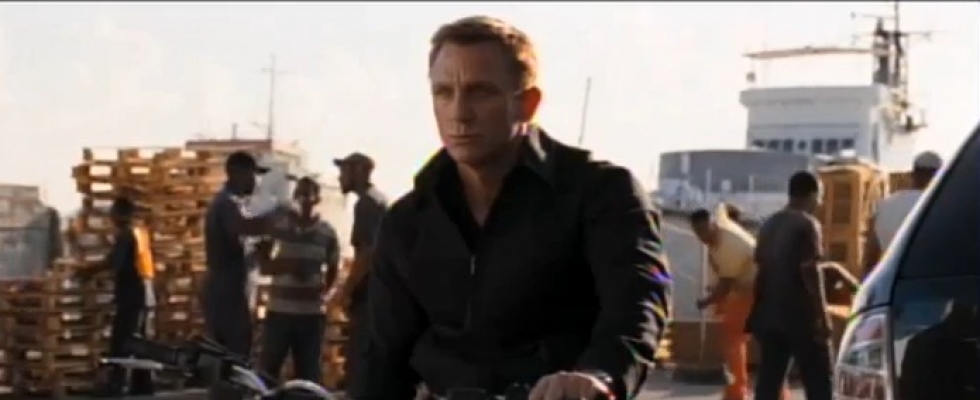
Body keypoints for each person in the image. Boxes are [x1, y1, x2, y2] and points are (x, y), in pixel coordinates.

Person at [348, 15, 670, 400]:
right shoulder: (408, 221)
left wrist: (600, 375)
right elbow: (384, 357)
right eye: (444, 92)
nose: (459, 112)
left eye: (480, 92)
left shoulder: (602, 194)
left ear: (527, 104)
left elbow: (638, 303)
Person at [203, 151, 280, 400]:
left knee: (231, 363)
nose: (257, 182)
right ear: (236, 173)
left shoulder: (236, 205)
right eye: (253, 174)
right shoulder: (227, 204)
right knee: (232, 363)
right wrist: (279, 216)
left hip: (233, 292)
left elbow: (246, 245)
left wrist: (261, 247)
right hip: (228, 294)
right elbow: (245, 226)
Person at [749, 170, 833, 400]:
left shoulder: (768, 225)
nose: (820, 203)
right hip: (801, 317)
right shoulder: (807, 224)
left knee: (769, 382)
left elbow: (761, 271)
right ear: (812, 194)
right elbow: (810, 271)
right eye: (819, 197)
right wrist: (823, 316)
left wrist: (756, 315)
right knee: (819, 381)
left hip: (769, 316)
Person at [690, 206, 789, 400]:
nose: (702, 236)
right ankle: (769, 393)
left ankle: (738, 392)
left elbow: (726, 284)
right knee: (761, 341)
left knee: (734, 341)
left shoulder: (729, 245)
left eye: (704, 230)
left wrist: (707, 301)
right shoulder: (719, 235)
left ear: (712, 225)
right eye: (697, 232)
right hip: (755, 289)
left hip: (755, 291)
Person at [255, 176, 341, 384]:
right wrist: (290, 267)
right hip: (279, 312)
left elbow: (333, 269)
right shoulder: (278, 229)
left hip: (310, 315)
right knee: (269, 370)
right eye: (300, 194)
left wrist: (324, 295)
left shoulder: (327, 233)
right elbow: (264, 266)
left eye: (309, 195)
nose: (304, 200)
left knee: (308, 373)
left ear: (317, 199)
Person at [86, 196, 155, 397]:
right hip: (146, 294)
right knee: (141, 343)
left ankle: (116, 386)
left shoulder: (125, 235)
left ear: (120, 214)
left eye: (113, 213)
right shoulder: (140, 232)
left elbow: (114, 263)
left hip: (132, 295)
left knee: (122, 341)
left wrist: (87, 271)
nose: (111, 217)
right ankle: (143, 385)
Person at [331, 152, 388, 389]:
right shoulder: (377, 200)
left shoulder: (367, 204)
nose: (339, 177)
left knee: (361, 368)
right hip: (379, 297)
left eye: (343, 171)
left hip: (370, 298)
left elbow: (366, 254)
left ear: (358, 172)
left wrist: (345, 292)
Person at [863, 151, 943, 277]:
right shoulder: (939, 205)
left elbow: (871, 256)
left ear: (912, 175)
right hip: (930, 277)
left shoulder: (885, 205)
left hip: (894, 278)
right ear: (940, 177)